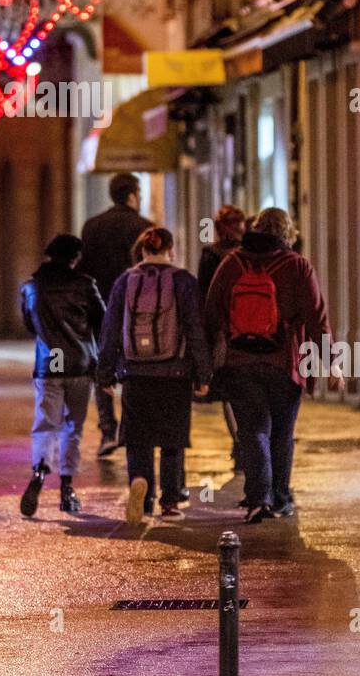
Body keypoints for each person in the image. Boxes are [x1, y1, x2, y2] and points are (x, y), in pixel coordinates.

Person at [203, 207, 333, 524]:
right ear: (288, 233)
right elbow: (317, 318)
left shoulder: (231, 263)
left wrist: (212, 354)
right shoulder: (297, 266)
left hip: (240, 361)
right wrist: (329, 361)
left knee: (252, 431)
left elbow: (211, 311)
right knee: (282, 433)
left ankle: (259, 498)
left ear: (256, 228)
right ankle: (280, 497)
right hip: (285, 362)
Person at [96, 227, 207, 522]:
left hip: (135, 373)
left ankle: (140, 489)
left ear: (143, 250)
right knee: (172, 439)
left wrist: (105, 374)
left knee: (138, 438)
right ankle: (170, 503)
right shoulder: (183, 282)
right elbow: (196, 330)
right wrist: (203, 374)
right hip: (175, 373)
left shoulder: (125, 282)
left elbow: (110, 332)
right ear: (170, 249)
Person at [19, 234, 105, 518]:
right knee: (72, 428)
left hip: (48, 365)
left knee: (46, 424)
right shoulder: (85, 285)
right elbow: (102, 321)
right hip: (79, 365)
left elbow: (30, 325)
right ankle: (67, 490)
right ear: (75, 257)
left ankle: (40, 472)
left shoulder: (31, 287)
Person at [80, 172, 152, 457]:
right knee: (135, 366)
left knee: (102, 367)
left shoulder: (91, 227)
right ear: (133, 195)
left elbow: (84, 270)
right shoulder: (144, 228)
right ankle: (131, 428)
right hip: (136, 310)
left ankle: (108, 430)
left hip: (100, 307)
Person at [198, 204, 246, 478]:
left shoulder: (211, 255)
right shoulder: (251, 255)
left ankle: (239, 443)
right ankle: (247, 443)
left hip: (223, 333)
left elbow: (204, 297)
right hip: (253, 331)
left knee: (229, 391)